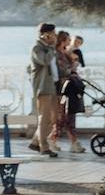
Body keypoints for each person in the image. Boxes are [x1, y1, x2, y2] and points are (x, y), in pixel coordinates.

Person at [50, 31, 86, 152]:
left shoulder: (64, 53)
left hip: (69, 88)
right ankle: (71, 142)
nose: (70, 42)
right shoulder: (57, 54)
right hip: (61, 89)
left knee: (68, 115)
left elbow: (70, 68)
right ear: (62, 40)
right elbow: (62, 71)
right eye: (68, 39)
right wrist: (72, 67)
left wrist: (73, 62)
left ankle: (54, 140)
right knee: (64, 116)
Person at [27, 23, 59, 157]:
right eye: (53, 33)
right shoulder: (37, 48)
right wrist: (52, 46)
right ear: (45, 34)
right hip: (43, 87)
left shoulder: (49, 48)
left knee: (53, 118)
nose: (55, 35)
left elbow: (53, 66)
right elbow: (45, 61)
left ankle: (35, 142)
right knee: (45, 117)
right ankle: (43, 147)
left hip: (52, 86)